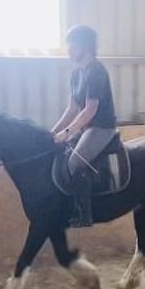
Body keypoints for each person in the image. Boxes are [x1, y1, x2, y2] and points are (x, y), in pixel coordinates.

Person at [51, 25, 118, 228]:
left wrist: (68, 132)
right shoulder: (76, 74)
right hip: (85, 127)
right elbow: (72, 109)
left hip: (101, 127)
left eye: (73, 45)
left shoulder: (96, 71)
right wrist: (53, 132)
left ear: (85, 46)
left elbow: (90, 110)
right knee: (59, 154)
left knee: (74, 162)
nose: (69, 49)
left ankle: (84, 214)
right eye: (69, 45)